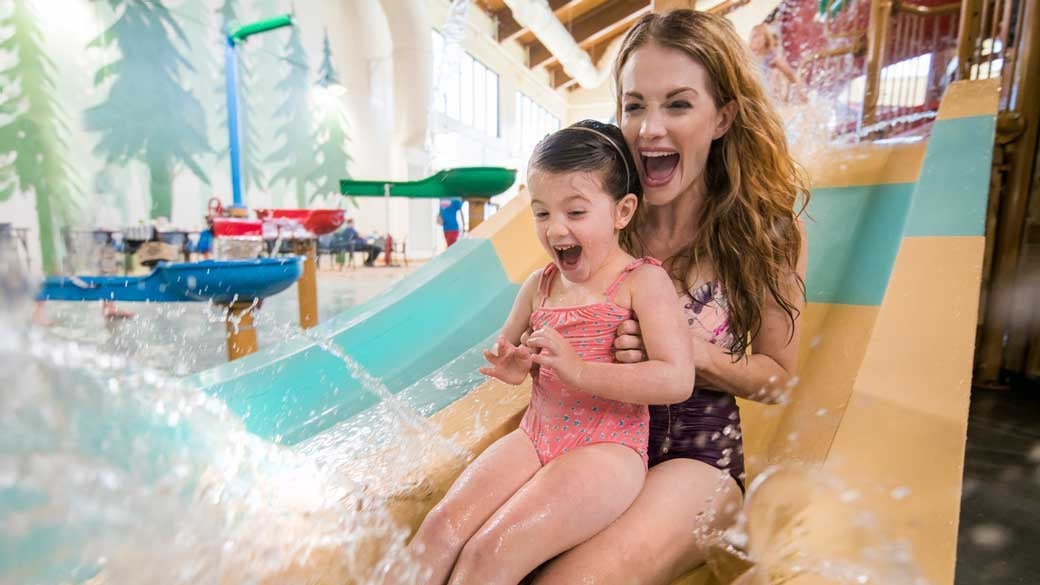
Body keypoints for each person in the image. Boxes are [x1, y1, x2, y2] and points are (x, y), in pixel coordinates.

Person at [530, 10, 809, 584]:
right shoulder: (601, 221)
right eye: (634, 106)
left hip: (698, 458)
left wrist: (690, 353)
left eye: (678, 104)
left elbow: (780, 380)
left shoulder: (764, 232)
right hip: (597, 438)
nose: (649, 129)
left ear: (723, 116)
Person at [399, 120, 695, 585]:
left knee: (491, 551)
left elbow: (677, 379)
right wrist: (511, 366)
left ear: (622, 211)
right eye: (542, 213)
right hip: (536, 436)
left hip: (607, 449)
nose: (556, 228)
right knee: (439, 530)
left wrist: (579, 371)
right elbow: (510, 351)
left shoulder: (641, 282)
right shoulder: (539, 286)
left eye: (575, 212)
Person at [748, 23, 800, 103]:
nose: (751, 40)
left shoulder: (772, 59)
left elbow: (790, 74)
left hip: (773, 100)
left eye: (755, 36)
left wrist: (798, 92)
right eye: (750, 37)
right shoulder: (752, 59)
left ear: (764, 39)